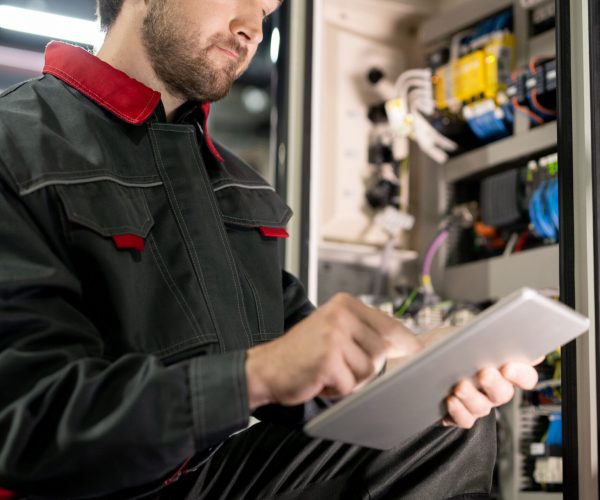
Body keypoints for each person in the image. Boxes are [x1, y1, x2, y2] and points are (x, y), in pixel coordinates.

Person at [0, 1, 540, 498]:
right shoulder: (17, 143)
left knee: (441, 428)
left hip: (204, 480)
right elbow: (27, 425)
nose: (253, 27)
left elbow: (304, 366)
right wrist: (257, 375)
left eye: (266, 8)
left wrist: (416, 367)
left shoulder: (235, 187)